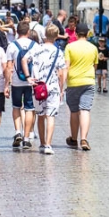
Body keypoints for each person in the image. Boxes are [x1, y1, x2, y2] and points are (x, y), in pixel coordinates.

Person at [29, 24, 68, 155]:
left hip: (39, 86)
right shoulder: (58, 52)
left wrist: (30, 77)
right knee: (50, 116)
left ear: (45, 34)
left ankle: (41, 143)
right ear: (57, 36)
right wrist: (61, 88)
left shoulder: (36, 49)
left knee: (40, 115)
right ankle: (48, 145)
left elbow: (26, 60)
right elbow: (62, 73)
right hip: (53, 87)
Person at [64, 23, 98, 150]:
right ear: (88, 34)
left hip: (73, 82)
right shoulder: (93, 48)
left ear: (76, 34)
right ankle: (84, 139)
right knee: (85, 109)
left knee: (74, 111)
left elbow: (66, 66)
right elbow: (95, 66)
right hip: (88, 81)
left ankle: (74, 139)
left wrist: (63, 83)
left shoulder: (69, 47)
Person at [5, 21, 39, 149]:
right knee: (29, 109)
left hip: (16, 82)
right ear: (28, 32)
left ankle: (17, 132)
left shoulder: (12, 46)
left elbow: (9, 67)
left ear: (17, 32)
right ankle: (26, 138)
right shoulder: (35, 45)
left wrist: (6, 85)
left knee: (16, 107)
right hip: (31, 82)